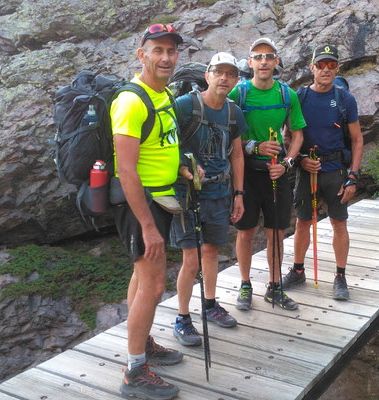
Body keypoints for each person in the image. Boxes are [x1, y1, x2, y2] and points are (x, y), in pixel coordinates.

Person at [111, 24, 184, 399]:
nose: (166, 58)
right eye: (158, 50)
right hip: (142, 207)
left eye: (171, 51)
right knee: (154, 285)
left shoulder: (164, 93)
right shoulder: (131, 101)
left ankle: (143, 343)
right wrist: (147, 226)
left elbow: (161, 146)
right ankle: (135, 372)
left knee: (141, 280)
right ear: (141, 53)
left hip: (160, 200)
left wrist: (183, 168)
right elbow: (126, 170)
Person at [170, 52, 248, 346]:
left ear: (236, 79)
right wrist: (182, 165)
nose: (224, 78)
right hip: (187, 193)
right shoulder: (186, 105)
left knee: (212, 251)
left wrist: (238, 194)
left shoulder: (233, 113)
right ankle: (182, 318)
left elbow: (237, 153)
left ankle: (210, 304)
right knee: (191, 257)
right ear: (208, 75)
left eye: (230, 74)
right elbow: (167, 142)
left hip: (218, 191)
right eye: (218, 72)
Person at [227, 37, 306, 311]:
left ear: (276, 62)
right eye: (258, 57)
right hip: (246, 173)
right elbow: (227, 135)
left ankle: (275, 287)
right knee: (245, 231)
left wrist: (287, 163)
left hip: (277, 172)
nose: (263, 62)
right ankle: (246, 284)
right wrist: (253, 146)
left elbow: (297, 135)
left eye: (269, 57)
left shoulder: (287, 95)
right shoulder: (238, 94)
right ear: (250, 63)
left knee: (276, 231)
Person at [283, 44, 363, 300]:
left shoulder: (345, 99)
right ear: (312, 68)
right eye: (321, 64)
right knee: (303, 221)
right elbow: (289, 137)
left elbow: (357, 139)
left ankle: (340, 276)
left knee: (339, 223)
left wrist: (353, 176)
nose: (325, 69)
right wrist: (301, 160)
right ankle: (298, 271)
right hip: (308, 171)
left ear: (337, 68)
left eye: (331, 65)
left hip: (336, 171)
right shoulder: (300, 97)